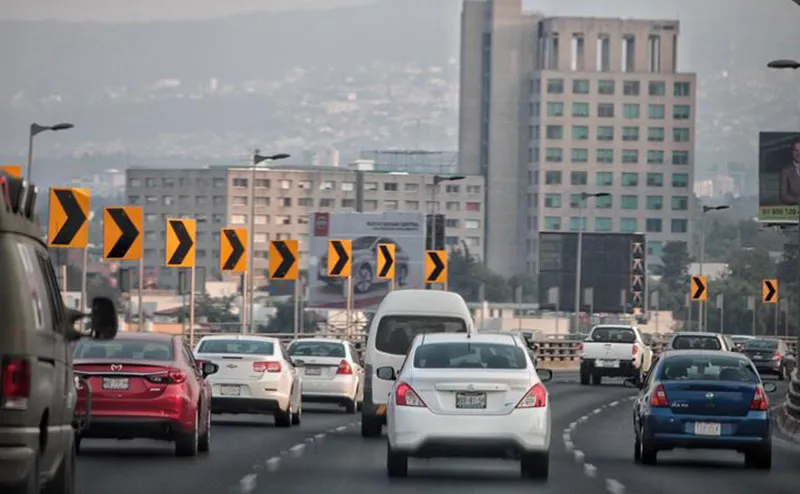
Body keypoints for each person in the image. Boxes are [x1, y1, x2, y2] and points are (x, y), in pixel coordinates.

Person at [778, 139, 800, 205]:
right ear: (792, 152)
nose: (799, 154)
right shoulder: (785, 171)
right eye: (796, 150)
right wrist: (797, 200)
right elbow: (783, 196)